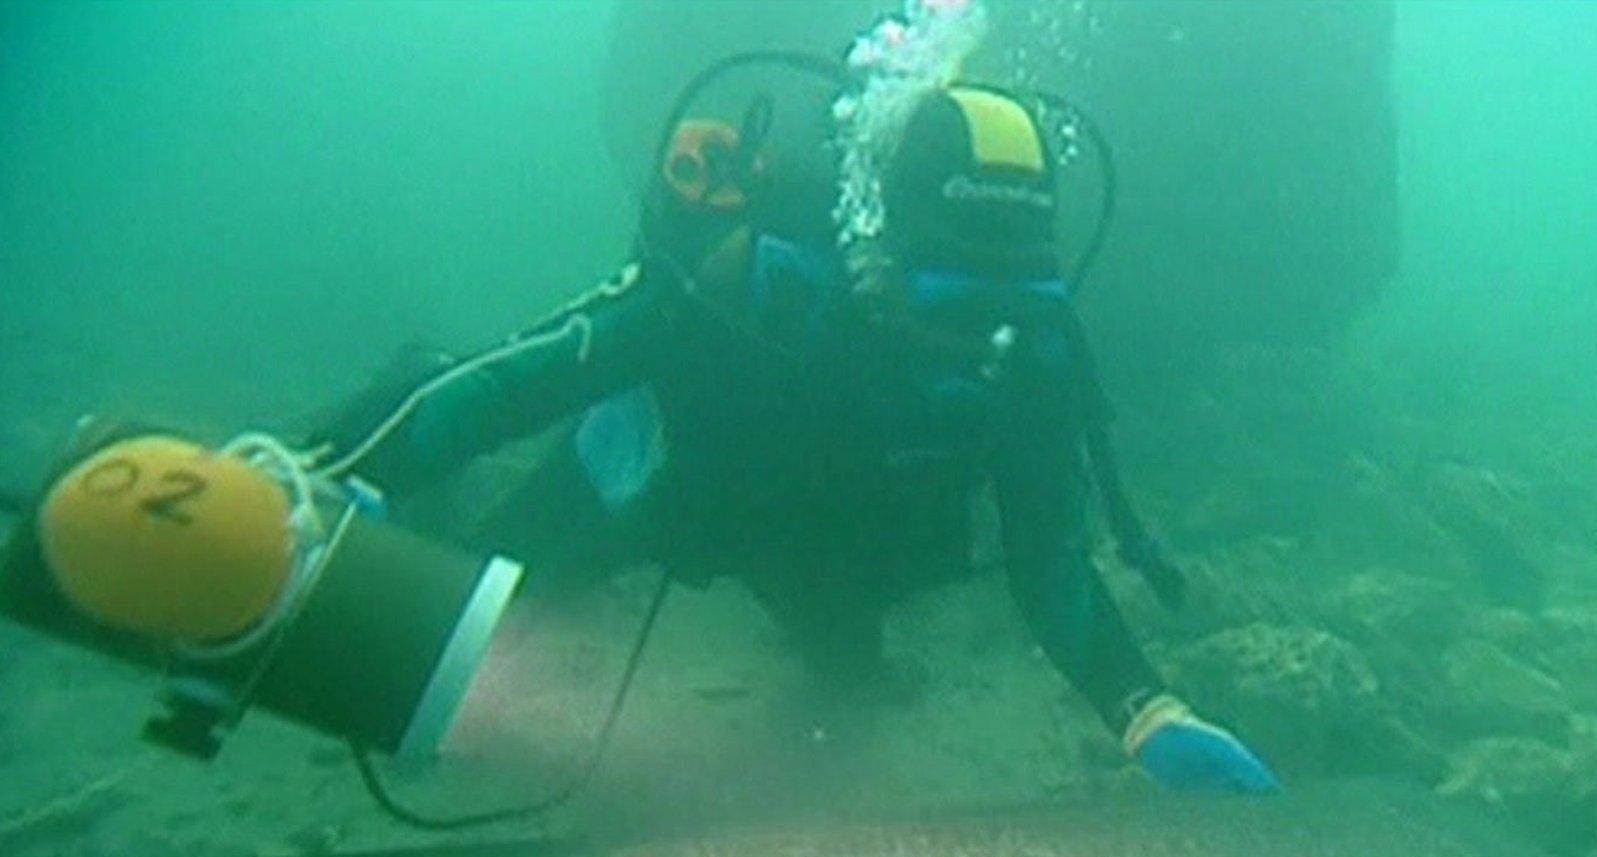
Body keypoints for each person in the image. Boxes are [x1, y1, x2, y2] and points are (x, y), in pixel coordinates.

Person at [304, 77, 1278, 795]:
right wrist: (352, 471)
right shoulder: (744, 285)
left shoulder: (1024, 352)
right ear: (875, 252)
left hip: (829, 554)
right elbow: (525, 379)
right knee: (455, 633)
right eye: (952, 298)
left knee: (849, 696)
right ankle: (366, 460)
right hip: (661, 492)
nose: (978, 337)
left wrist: (1148, 711)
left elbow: (1050, 563)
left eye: (1007, 304)